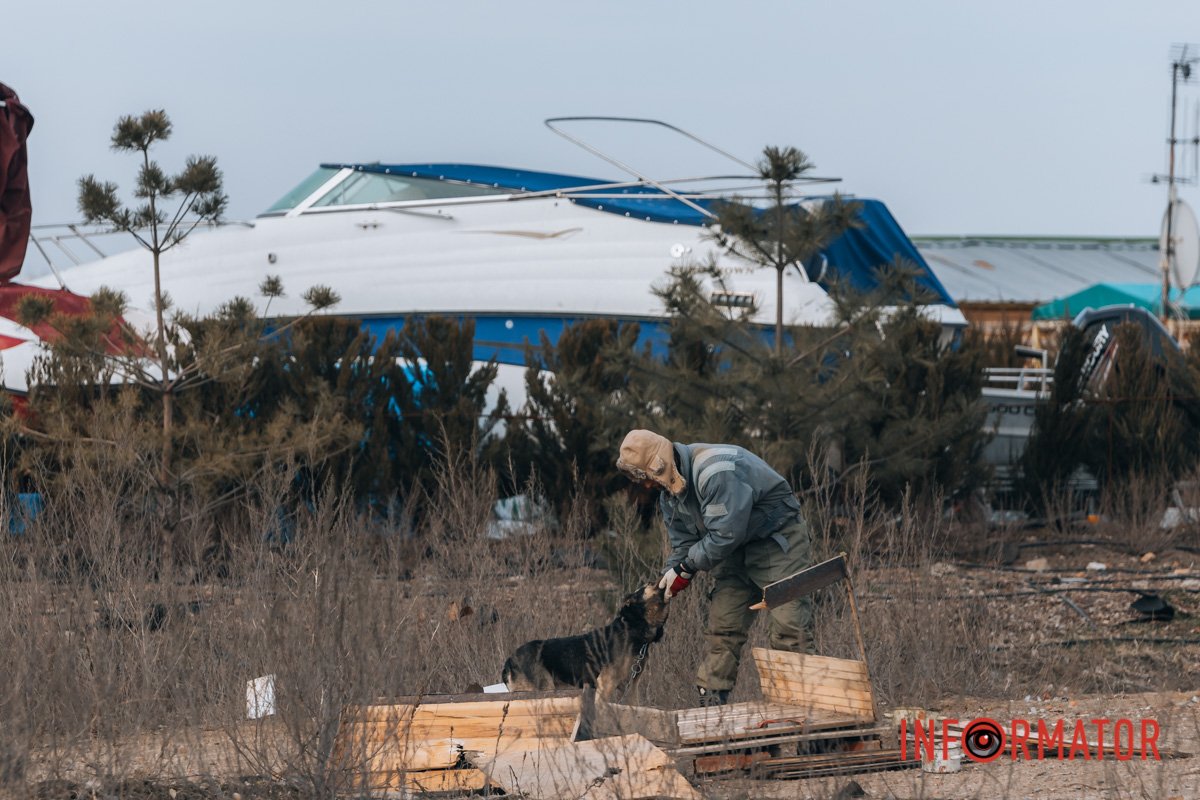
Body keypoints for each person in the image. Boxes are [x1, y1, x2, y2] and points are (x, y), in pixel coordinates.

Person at [616, 429, 813, 706]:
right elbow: (683, 545)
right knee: (723, 627)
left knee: (790, 628)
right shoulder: (670, 496)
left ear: (658, 464)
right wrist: (667, 581)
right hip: (732, 552)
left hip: (776, 541)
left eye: (646, 478)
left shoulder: (714, 471)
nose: (647, 486)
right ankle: (711, 708)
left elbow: (725, 534)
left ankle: (809, 715)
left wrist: (684, 568)